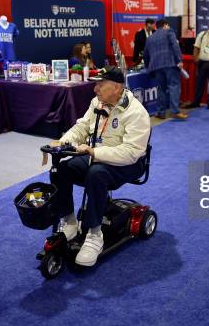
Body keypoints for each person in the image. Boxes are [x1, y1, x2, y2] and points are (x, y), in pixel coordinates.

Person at [50, 66, 151, 267]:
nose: (95, 89)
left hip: (130, 163)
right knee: (60, 168)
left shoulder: (136, 112)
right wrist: (63, 142)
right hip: (97, 155)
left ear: (116, 87)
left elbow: (131, 153)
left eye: (100, 84)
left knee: (96, 174)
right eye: (96, 84)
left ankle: (95, 234)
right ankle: (70, 220)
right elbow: (82, 127)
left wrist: (95, 152)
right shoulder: (97, 102)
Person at [144, 19, 188, 119]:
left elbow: (146, 55)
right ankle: (175, 111)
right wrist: (179, 60)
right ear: (165, 25)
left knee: (161, 89)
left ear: (156, 26)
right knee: (174, 86)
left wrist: (148, 67)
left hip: (156, 67)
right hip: (170, 64)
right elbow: (175, 45)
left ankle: (161, 112)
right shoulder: (169, 31)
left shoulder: (150, 38)